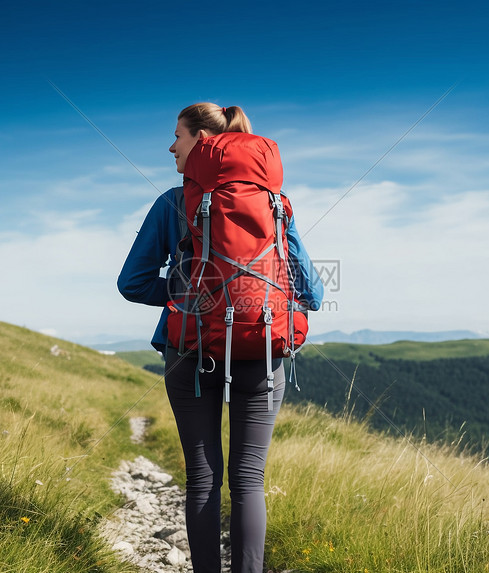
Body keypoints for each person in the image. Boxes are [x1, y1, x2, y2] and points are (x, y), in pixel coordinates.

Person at [118, 103, 323, 573]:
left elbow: (131, 282)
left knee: (203, 478)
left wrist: (192, 299)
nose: (171, 146)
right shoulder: (275, 201)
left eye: (178, 136)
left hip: (190, 352)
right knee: (249, 480)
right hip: (262, 349)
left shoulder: (173, 201)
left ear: (204, 141)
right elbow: (312, 291)